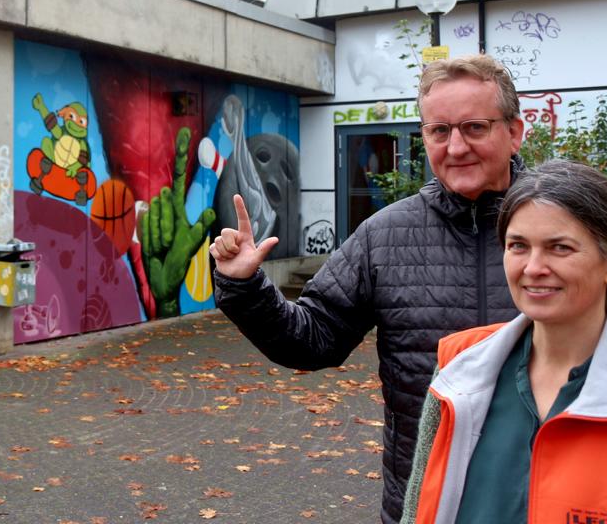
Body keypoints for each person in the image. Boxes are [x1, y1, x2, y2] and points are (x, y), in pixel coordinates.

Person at [212, 54, 527, 523]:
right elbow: (314, 338)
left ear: (514, 132)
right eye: (439, 131)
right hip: (425, 503)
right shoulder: (386, 235)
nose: (455, 146)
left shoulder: (563, 225)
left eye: (474, 127)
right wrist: (246, 287)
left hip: (544, 495)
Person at [401, 160, 607, 523]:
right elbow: (418, 510)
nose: (533, 267)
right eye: (518, 246)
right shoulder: (459, 367)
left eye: (559, 247)